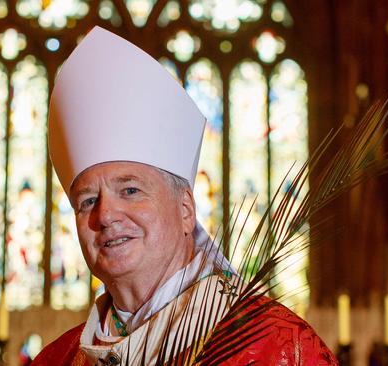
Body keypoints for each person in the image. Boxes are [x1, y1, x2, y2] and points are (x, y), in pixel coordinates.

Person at [32, 26, 338, 365]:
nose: (104, 215)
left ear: (185, 210)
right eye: (87, 201)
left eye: (130, 190)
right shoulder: (56, 358)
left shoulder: (277, 347)